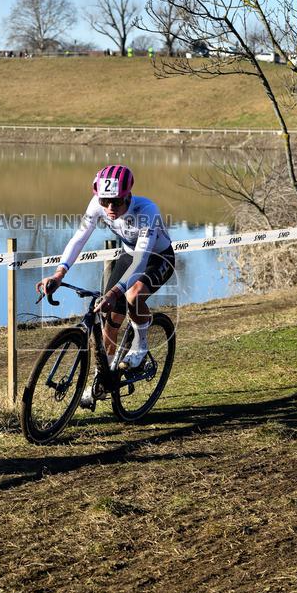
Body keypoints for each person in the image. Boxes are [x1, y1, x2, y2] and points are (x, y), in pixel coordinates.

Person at [36, 164, 175, 409]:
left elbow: (142, 261)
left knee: (133, 295)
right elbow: (79, 238)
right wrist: (59, 273)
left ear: (129, 195)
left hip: (157, 258)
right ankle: (103, 380)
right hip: (129, 256)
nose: (110, 208)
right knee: (107, 319)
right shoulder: (97, 205)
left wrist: (114, 292)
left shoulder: (147, 211)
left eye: (117, 202)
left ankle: (140, 346)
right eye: (105, 201)